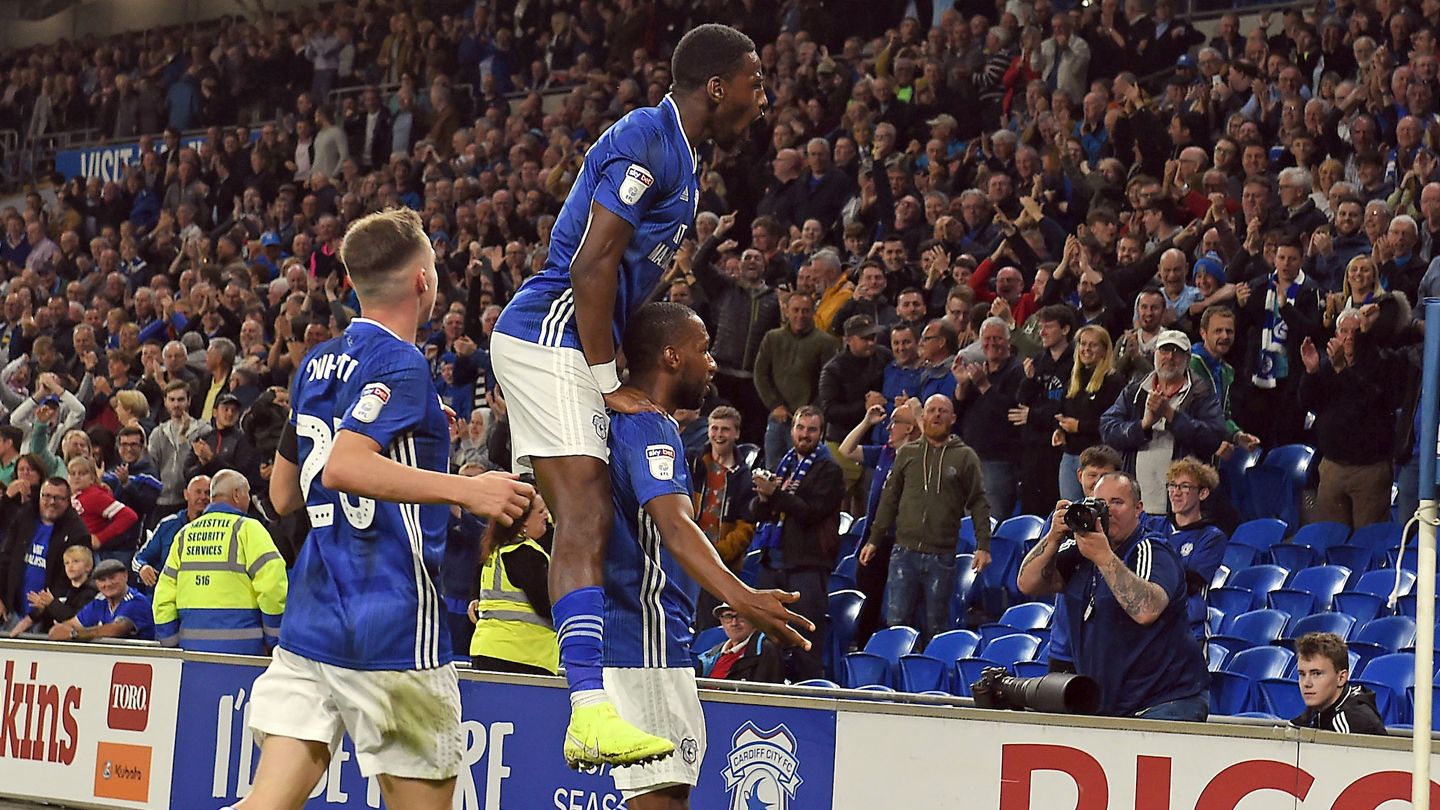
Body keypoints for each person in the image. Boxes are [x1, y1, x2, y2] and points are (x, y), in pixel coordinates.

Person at [487, 24, 768, 767]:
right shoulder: (645, 135)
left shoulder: (685, 159)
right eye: (755, 80)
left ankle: (587, 699)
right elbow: (592, 265)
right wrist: (612, 383)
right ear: (717, 86)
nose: (761, 95)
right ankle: (587, 707)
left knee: (586, 515)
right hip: (551, 333)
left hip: (572, 345)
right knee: (582, 511)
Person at [235, 208, 533, 810]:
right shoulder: (402, 363)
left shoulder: (315, 366)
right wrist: (469, 490)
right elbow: (347, 465)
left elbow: (284, 495)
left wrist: (422, 442)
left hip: (312, 619)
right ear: (424, 281)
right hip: (392, 631)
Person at [598, 302, 810, 806]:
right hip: (646, 642)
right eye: (703, 349)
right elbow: (675, 525)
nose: (712, 362)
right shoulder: (650, 427)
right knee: (662, 800)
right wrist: (744, 596)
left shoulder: (612, 420)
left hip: (640, 639)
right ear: (671, 356)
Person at [1016, 472, 1211, 719]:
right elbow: (1027, 584)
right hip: (1112, 704)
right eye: (1100, 503)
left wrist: (1104, 556)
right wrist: (1054, 536)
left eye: (1117, 502)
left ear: (1138, 509)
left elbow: (1146, 610)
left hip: (1165, 701)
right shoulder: (1081, 551)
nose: (1108, 511)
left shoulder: (1152, 548)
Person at [860, 394, 992, 642]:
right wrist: (874, 540)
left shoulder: (965, 457)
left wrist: (983, 545)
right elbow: (889, 500)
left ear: (952, 419)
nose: (937, 415)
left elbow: (978, 502)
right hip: (903, 554)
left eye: (943, 411)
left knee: (936, 629)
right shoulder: (907, 453)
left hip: (941, 557)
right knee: (896, 626)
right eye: (932, 410)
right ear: (923, 417)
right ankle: (895, 679)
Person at [750, 403, 843, 681]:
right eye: (800, 428)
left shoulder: (829, 470)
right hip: (773, 563)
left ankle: (806, 700)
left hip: (807, 568)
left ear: (821, 434)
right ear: (791, 430)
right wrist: (764, 497)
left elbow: (810, 513)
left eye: (812, 430)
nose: (805, 435)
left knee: (805, 643)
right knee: (763, 640)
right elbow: (761, 512)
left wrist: (775, 494)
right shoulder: (786, 463)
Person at [153, 470, 288, 654]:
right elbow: (273, 587)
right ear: (236, 494)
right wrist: (275, 639)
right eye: (247, 493)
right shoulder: (248, 529)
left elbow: (163, 596)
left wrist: (170, 643)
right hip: (244, 652)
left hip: (191, 653)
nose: (249, 499)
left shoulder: (185, 534)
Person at [1100, 330, 1227, 513]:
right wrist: (1143, 425)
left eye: (1177, 352)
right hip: (1137, 504)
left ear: (1188, 359)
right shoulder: (1135, 391)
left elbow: (1213, 437)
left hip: (1180, 506)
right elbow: (1107, 428)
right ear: (1154, 354)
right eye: (1165, 351)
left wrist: (1171, 416)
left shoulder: (1201, 393)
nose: (1170, 357)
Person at [468, 488, 557, 675]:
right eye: (541, 512)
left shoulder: (496, 550)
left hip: (487, 649)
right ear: (522, 520)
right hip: (520, 656)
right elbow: (547, 606)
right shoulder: (525, 554)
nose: (546, 517)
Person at [687, 406, 755, 632]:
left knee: (708, 628)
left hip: (720, 568)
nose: (718, 434)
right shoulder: (693, 463)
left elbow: (745, 528)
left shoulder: (744, 476)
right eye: (714, 428)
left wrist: (716, 555)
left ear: (736, 434)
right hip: (685, 559)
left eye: (725, 429)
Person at [753, 292, 839, 469]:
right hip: (777, 419)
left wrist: (811, 413)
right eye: (796, 310)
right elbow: (760, 375)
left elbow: (828, 383)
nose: (800, 315)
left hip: (808, 424)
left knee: (804, 473)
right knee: (772, 471)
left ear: (814, 312)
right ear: (786, 311)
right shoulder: (772, 338)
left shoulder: (826, 342)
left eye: (806, 310)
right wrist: (774, 404)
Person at [0, 476, 90, 624]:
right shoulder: (25, 515)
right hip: (12, 610)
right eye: (46, 496)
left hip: (47, 618)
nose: (51, 502)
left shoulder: (77, 531)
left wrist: (35, 616)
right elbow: (6, 557)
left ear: (68, 501)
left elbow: (67, 581)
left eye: (58, 498)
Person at [1054, 325, 1126, 501]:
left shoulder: (1113, 381)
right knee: (1070, 511)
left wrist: (1079, 427)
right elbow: (1063, 411)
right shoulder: (1073, 380)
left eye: (1092, 345)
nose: (1086, 349)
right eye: (1082, 344)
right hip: (1070, 456)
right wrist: (1061, 431)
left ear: (1104, 350)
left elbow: (1113, 425)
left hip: (1099, 461)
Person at [1164, 458, 1228, 641]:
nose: (1176, 493)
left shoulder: (1212, 537)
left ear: (1203, 493)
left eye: (1185, 487)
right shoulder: (1155, 526)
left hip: (1189, 630)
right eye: (1172, 486)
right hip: (1154, 628)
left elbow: (1191, 582)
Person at [1290, 632, 1386, 735]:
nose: (1306, 683)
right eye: (1302, 674)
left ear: (1341, 678)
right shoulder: (1317, 709)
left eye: (1316, 674)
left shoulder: (1353, 720)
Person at [133, 474, 210, 590]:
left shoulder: (221, 526)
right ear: (186, 494)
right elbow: (139, 559)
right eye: (198, 492)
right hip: (168, 594)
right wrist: (143, 568)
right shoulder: (167, 525)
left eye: (208, 493)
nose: (203, 497)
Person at [48, 557, 154, 641]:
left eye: (112, 578)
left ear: (125, 576)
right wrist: (60, 629)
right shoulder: (100, 601)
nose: (107, 584)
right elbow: (74, 623)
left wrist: (73, 634)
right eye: (102, 580)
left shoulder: (136, 601)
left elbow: (115, 630)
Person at [6, 544, 97, 637]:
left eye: (76, 561)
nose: (70, 566)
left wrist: (51, 604)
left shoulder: (90, 593)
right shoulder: (63, 589)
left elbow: (76, 619)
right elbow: (51, 609)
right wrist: (41, 609)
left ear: (88, 566)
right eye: (67, 563)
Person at [694, 602, 786, 683]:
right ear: (722, 621)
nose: (734, 623)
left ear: (754, 620)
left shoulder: (767, 650)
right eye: (728, 617)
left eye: (741, 616)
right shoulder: (711, 654)